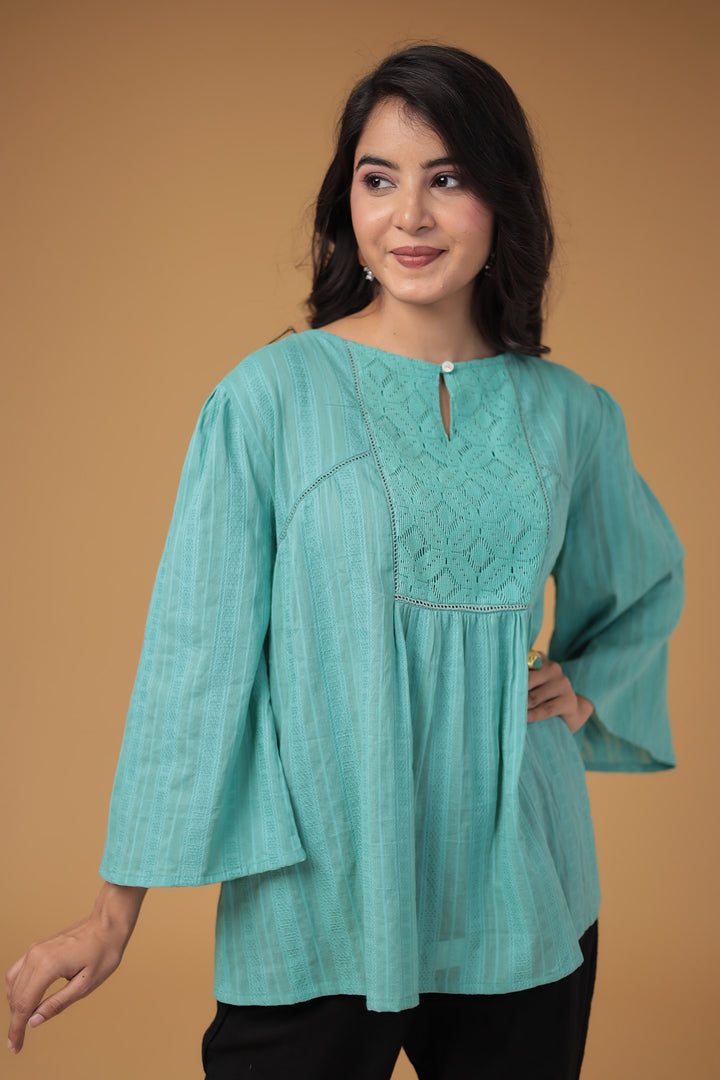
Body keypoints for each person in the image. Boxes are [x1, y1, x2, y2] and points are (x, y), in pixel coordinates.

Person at [6, 44, 684, 1079]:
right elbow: (198, 659)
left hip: (525, 889)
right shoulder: (268, 399)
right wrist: (112, 915)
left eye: (446, 178)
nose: (409, 215)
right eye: (379, 179)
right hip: (319, 892)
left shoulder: (572, 414)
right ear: (348, 203)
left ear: (502, 201)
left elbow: (642, 582)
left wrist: (586, 686)